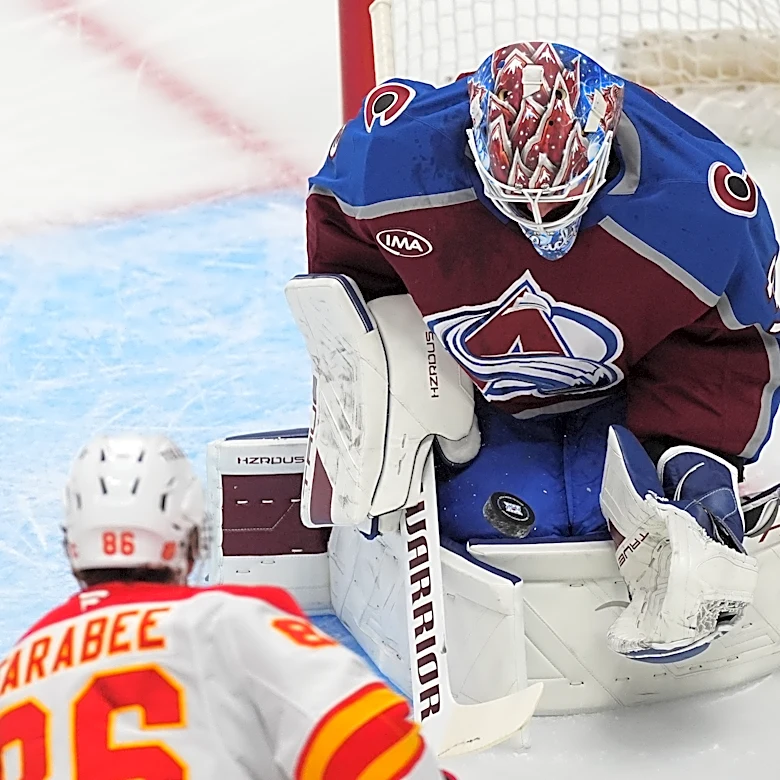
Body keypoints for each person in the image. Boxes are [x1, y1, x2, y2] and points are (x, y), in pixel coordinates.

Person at [301, 41, 780, 662]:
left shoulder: (701, 199)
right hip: (476, 393)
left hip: (625, 390)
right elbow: (341, 251)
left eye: (561, 199)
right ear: (473, 144)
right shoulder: (392, 159)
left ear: (606, 130)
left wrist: (693, 450)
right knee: (498, 514)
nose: (542, 223)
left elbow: (739, 335)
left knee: (605, 523)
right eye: (519, 201)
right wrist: (381, 359)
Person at [0, 433, 455, 779]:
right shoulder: (231, 625)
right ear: (193, 540)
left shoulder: (13, 673)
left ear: (71, 547)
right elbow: (376, 750)